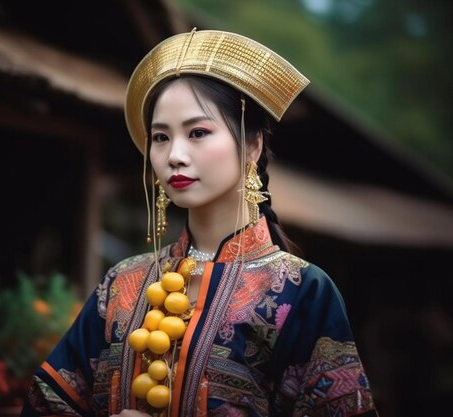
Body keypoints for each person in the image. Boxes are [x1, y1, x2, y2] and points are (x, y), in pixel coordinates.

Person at [20, 28, 378, 417]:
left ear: (253, 145)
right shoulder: (122, 284)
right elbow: (44, 404)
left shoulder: (303, 293)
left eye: (198, 132)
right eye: (160, 137)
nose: (174, 155)